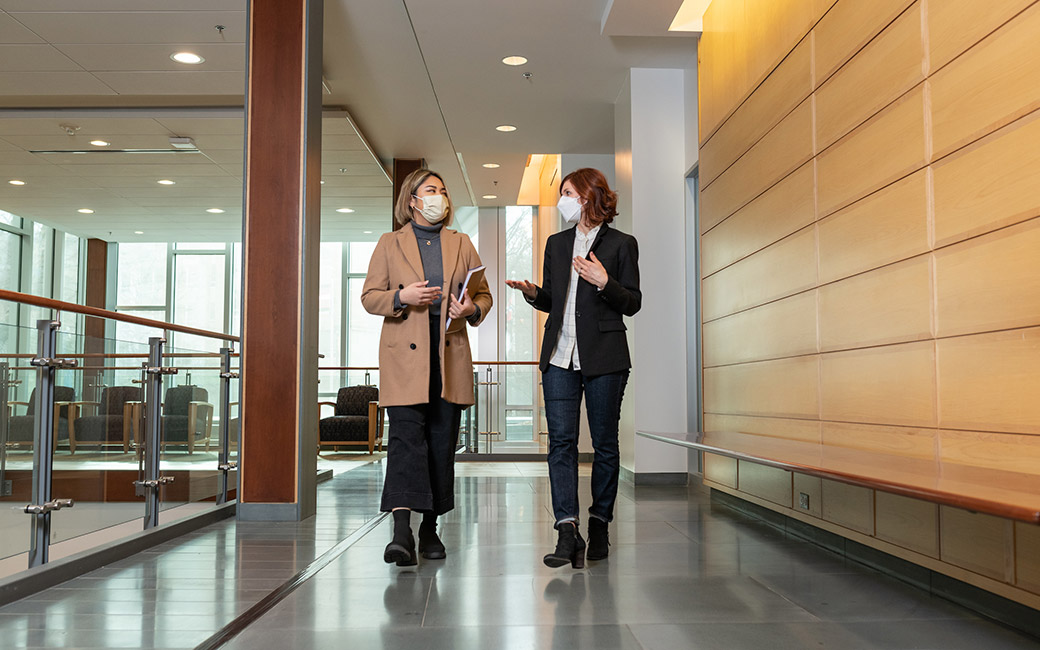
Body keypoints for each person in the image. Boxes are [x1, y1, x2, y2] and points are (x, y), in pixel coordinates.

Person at [506, 167, 641, 569]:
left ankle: (599, 523)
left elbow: (632, 302)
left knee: (604, 445)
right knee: (561, 443)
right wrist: (534, 295)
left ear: (587, 195)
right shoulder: (557, 243)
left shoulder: (621, 244)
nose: (562, 199)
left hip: (605, 358)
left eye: (567, 192)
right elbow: (555, 300)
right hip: (559, 357)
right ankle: (567, 530)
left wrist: (604, 281)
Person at [361, 169, 492, 566]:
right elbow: (370, 297)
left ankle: (429, 529)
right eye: (431, 190)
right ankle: (401, 533)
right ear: (413, 200)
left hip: (447, 355)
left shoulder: (462, 242)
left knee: (440, 442)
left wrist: (471, 309)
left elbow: (482, 294)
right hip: (404, 358)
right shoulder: (390, 243)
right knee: (404, 441)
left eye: (443, 190)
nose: (440, 196)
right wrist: (403, 295)